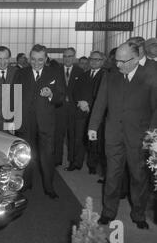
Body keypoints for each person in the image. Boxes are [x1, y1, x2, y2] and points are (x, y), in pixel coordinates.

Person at [88, 42, 157, 229]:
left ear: (135, 59)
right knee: (112, 175)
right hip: (113, 136)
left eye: (122, 61)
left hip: (140, 137)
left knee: (138, 177)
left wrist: (151, 137)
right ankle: (108, 212)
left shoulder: (150, 77)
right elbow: (100, 102)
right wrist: (93, 126)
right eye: (116, 60)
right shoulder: (110, 76)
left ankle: (138, 214)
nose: (118, 65)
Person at [14, 44, 64, 199]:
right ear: (29, 58)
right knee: (26, 155)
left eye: (40, 60)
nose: (36, 63)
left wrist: (51, 94)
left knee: (47, 156)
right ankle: (26, 182)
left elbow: (61, 97)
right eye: (33, 60)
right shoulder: (20, 73)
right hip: (25, 122)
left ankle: (49, 187)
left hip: (46, 123)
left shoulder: (55, 72)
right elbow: (13, 97)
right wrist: (11, 121)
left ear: (46, 59)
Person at [72, 51, 107, 176]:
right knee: (79, 139)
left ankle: (92, 165)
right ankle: (77, 163)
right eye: (91, 59)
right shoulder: (83, 75)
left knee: (94, 141)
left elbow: (103, 95)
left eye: (97, 59)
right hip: (81, 111)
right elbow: (75, 91)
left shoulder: (105, 75)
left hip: (96, 114)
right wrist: (80, 102)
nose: (93, 61)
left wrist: (89, 106)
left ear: (102, 61)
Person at [54, 47, 84, 169]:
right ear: (63, 57)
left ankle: (72, 161)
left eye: (70, 56)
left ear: (74, 57)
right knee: (58, 136)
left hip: (74, 110)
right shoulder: (55, 71)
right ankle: (57, 159)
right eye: (65, 56)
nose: (67, 59)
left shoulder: (80, 72)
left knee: (73, 137)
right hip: (59, 110)